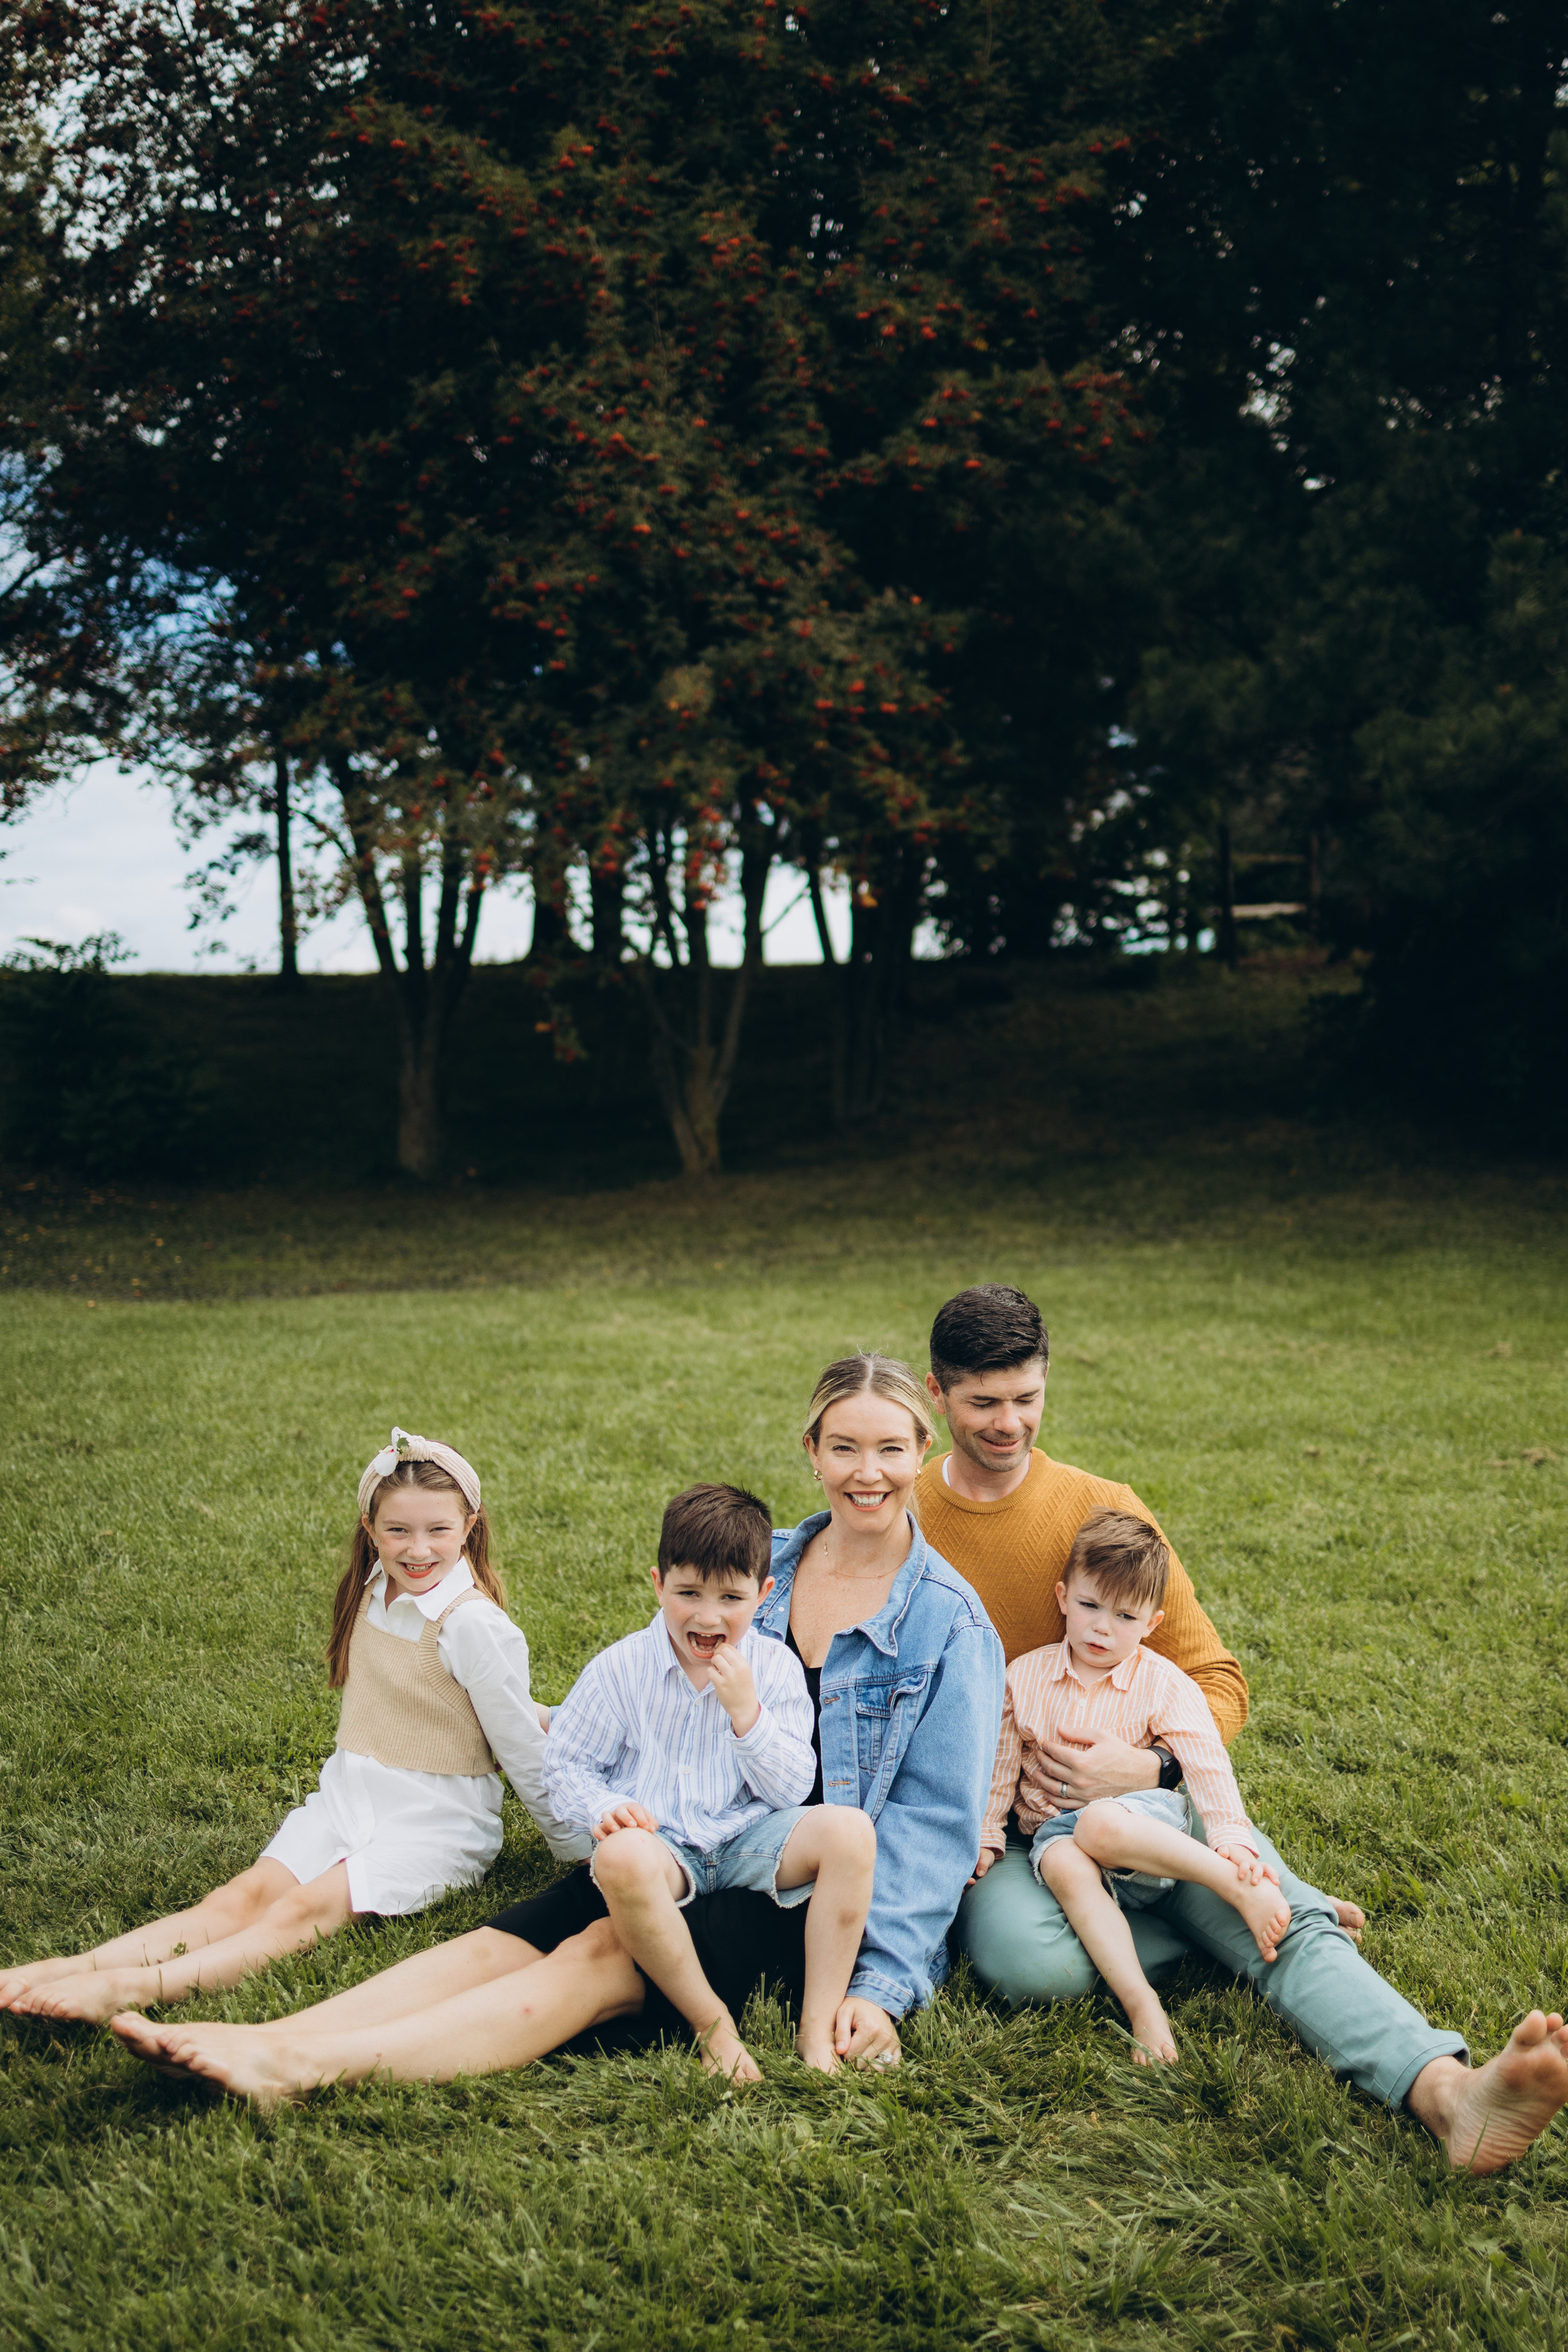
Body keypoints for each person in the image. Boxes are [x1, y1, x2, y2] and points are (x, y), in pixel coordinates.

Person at [111, 1353, 1005, 2104]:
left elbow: (931, 1829)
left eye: (890, 1449)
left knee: (601, 1951)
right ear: (812, 1453)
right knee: (508, 1937)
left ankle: (304, 2066)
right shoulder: (755, 1563)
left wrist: (881, 1989)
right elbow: (647, 1692)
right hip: (668, 1835)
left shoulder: (949, 1625)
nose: (867, 1472)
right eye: (844, 1447)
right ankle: (269, 2030)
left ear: (923, 1450)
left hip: (790, 1890)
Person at [920, 1282, 1568, 2174]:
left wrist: (1148, 1769)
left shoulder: (1104, 1508)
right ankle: (1224, 1921)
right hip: (1012, 1829)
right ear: (937, 1393)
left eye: (1027, 1399)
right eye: (983, 1403)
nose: (1008, 1423)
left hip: (1148, 1811)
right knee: (1033, 1971)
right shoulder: (906, 1516)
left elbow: (1216, 1681)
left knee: (1268, 1914)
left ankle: (1447, 2094)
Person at [2, 1427, 586, 2027]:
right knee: (239, 1898)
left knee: (301, 1909)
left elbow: (519, 1743)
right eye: (398, 1531)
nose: (417, 1550)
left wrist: (574, 1848)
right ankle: (57, 1971)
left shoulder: (474, 1626)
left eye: (438, 1530)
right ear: (370, 1528)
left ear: (469, 1526)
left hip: (437, 1821)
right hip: (351, 1794)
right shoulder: (371, 1589)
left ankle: (132, 1990)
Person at [545, 1483, 876, 2079]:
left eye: (730, 1596)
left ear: (763, 1594)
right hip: (663, 1842)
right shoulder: (621, 1669)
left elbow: (792, 1788)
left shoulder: (771, 1669)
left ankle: (816, 2028)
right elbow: (566, 1763)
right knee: (621, 1858)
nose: (707, 1615)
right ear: (657, 1584)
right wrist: (606, 1806)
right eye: (688, 1593)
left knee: (849, 1832)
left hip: (744, 1837)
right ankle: (711, 2025)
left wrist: (746, 1714)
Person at [979, 1509, 1289, 2066]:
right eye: (1090, 1606)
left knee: (1099, 1823)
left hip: (1145, 1830)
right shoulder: (1022, 1677)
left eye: (1125, 1616)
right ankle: (1142, 2003)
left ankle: (1236, 1885)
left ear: (1152, 1622)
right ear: (1062, 1597)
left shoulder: (1164, 1682)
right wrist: (986, 1834)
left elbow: (1206, 1764)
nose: (1102, 1627)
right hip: (1058, 1836)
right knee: (1064, 1862)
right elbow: (1000, 1767)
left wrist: (1231, 1841)